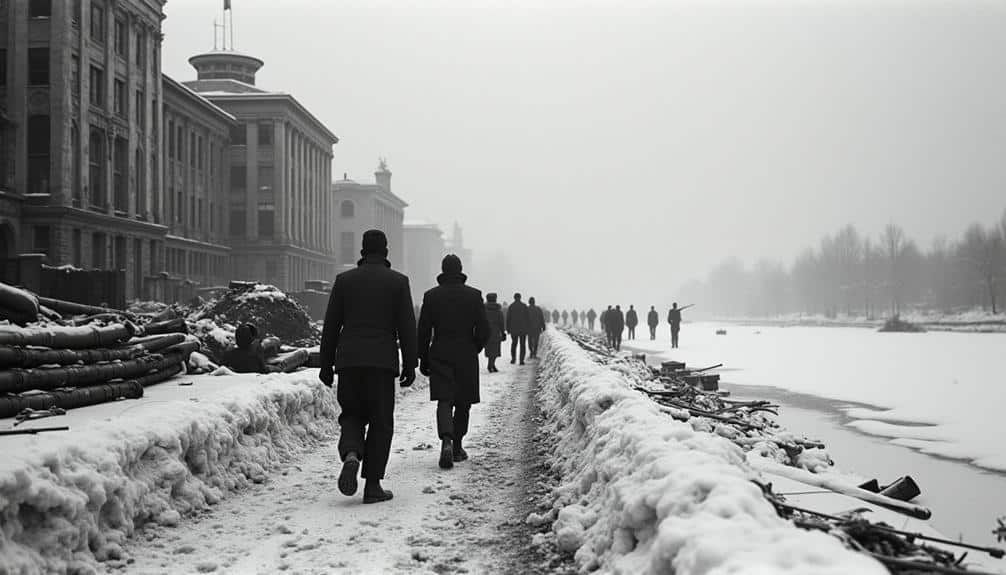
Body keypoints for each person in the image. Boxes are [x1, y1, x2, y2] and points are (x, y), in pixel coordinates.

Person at [319, 229, 417, 504]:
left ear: (362, 250)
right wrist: (411, 363)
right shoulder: (398, 282)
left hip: (349, 362)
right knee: (380, 422)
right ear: (385, 250)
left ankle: (351, 453)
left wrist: (326, 364)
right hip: (382, 364)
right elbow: (407, 327)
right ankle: (372, 485)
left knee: (351, 413)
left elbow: (331, 327)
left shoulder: (344, 281)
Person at [417, 255, 490, 469]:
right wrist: (474, 346)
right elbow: (484, 329)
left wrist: (423, 357)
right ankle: (457, 445)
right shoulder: (474, 295)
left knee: (444, 399)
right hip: (466, 353)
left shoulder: (431, 296)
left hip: (440, 351)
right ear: (460, 270)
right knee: (463, 401)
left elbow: (423, 331)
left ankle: (446, 439)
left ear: (442, 270)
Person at [484, 293, 506, 373]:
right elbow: (501, 323)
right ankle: (491, 364)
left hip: (486, 332)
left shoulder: (484, 310)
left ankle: (491, 365)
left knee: (489, 349)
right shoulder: (498, 311)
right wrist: (503, 332)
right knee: (495, 350)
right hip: (496, 332)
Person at [506, 293, 530, 365]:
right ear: (520, 297)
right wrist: (528, 328)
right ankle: (521, 360)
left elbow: (508, 318)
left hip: (514, 328)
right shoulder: (524, 306)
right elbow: (527, 318)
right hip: (523, 329)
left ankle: (513, 359)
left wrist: (508, 328)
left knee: (514, 344)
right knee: (522, 345)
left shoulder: (511, 306)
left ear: (514, 298)